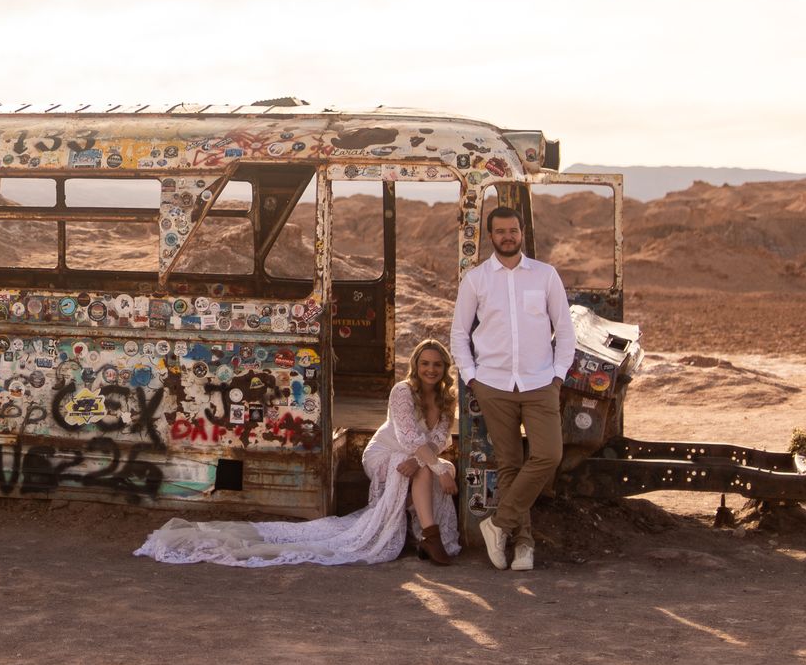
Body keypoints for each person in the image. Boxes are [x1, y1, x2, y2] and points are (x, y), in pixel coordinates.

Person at [134, 340, 462, 568]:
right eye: (424, 363)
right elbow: (409, 436)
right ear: (415, 365)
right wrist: (432, 465)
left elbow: (435, 441)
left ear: (444, 368)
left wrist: (430, 464)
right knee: (428, 467)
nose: (430, 370)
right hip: (383, 453)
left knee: (431, 467)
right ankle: (428, 538)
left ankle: (428, 536)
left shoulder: (447, 401)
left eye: (436, 365)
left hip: (413, 457)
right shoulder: (402, 392)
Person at [450, 204, 576, 572]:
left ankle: (498, 523)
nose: (508, 236)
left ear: (522, 233)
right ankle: (523, 546)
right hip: (493, 383)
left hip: (540, 382)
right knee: (509, 464)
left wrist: (558, 375)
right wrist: (471, 375)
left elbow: (564, 330)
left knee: (548, 455)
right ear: (491, 235)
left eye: (513, 231)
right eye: (501, 231)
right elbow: (459, 332)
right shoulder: (476, 280)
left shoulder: (545, 275)